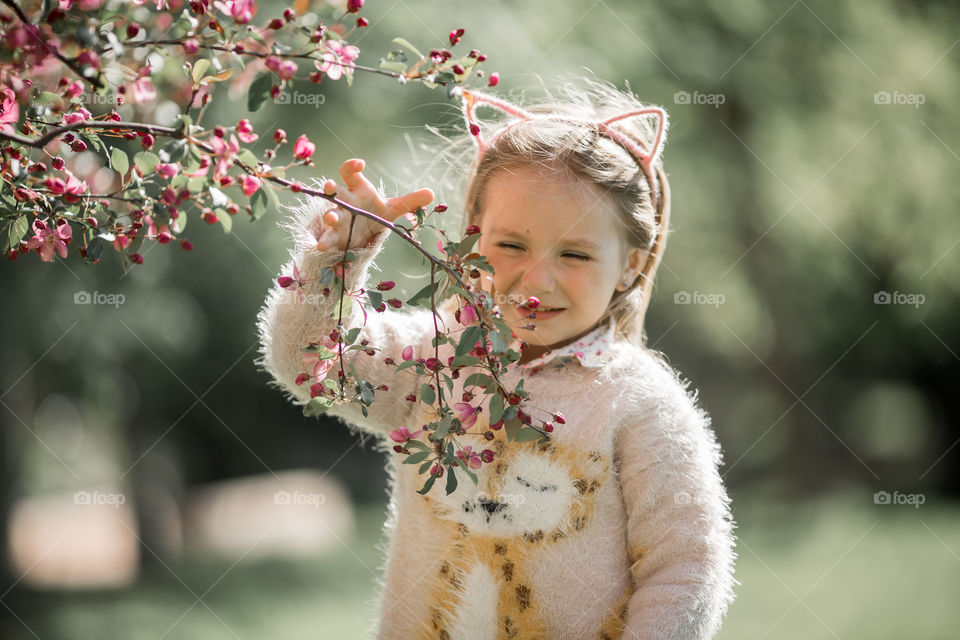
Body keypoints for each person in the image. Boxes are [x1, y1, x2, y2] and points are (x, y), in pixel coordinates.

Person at [257, 81, 737, 639]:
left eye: (576, 254)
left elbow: (683, 567)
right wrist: (337, 262)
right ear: (472, 237)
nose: (537, 279)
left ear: (630, 266)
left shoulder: (639, 402)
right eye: (512, 245)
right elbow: (307, 365)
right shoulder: (434, 360)